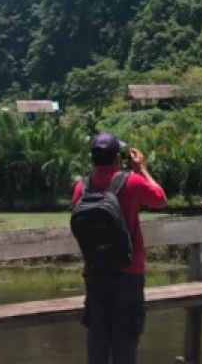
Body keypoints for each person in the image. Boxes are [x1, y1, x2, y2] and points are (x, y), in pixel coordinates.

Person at [71, 132, 167, 364]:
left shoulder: (81, 187)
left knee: (98, 339)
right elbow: (160, 198)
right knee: (125, 340)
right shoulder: (132, 182)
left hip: (95, 274)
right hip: (128, 273)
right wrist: (142, 168)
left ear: (93, 159)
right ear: (117, 158)